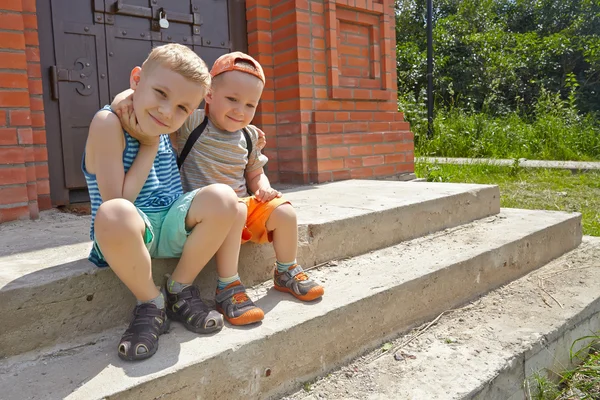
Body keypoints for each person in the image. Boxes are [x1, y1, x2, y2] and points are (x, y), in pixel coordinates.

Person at [114, 52, 325, 327]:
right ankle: (228, 286)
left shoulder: (249, 136)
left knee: (285, 212)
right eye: (232, 99)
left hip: (241, 203)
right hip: (205, 212)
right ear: (209, 95)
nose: (240, 110)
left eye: (250, 104)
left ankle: (286, 270)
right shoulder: (191, 122)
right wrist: (121, 100)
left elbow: (255, 172)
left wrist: (264, 188)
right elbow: (135, 99)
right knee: (234, 208)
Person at [83, 44, 246, 361]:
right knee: (113, 213)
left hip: (172, 224)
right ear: (136, 80)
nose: (168, 112)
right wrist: (148, 145)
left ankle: (179, 289)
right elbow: (118, 201)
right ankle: (150, 302)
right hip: (127, 233)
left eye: (184, 108)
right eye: (160, 93)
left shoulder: (159, 120)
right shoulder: (108, 124)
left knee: (226, 198)